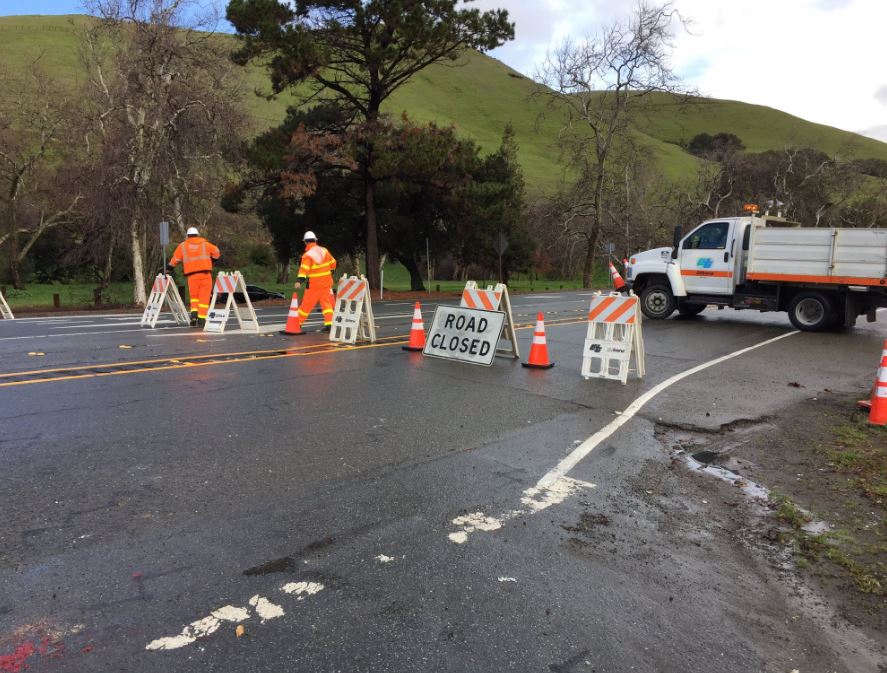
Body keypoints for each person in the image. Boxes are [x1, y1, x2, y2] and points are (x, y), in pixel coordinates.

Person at [167, 227, 220, 327]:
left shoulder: (183, 246)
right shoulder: (205, 244)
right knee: (204, 298)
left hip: (192, 276)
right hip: (205, 275)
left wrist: (168, 268)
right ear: (198, 235)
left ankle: (194, 315)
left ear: (187, 236)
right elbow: (216, 252)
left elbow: (175, 259)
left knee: (194, 297)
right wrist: (213, 260)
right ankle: (202, 320)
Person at [294, 230, 337, 331]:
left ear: (305, 242)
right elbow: (333, 263)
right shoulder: (324, 250)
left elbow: (304, 270)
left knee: (306, 305)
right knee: (327, 305)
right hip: (326, 283)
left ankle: (297, 324)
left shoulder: (307, 255)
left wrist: (299, 281)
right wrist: (330, 273)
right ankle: (329, 325)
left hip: (314, 285)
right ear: (315, 240)